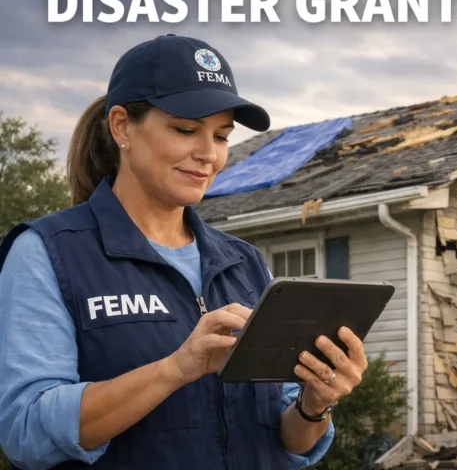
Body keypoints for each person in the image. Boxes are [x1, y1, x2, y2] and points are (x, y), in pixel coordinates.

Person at [0, 34, 368, 469]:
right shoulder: (47, 252)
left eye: (222, 135)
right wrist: (174, 370)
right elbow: (26, 430)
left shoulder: (244, 262)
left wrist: (314, 403)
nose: (208, 154)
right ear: (122, 126)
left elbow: (291, 440)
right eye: (185, 130)